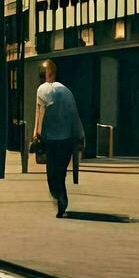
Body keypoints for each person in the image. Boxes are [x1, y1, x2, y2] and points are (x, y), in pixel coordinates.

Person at [32, 59, 85, 218]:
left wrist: (36, 134)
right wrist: (79, 135)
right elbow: (74, 115)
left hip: (50, 138)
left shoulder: (42, 90)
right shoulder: (67, 92)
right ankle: (62, 195)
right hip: (67, 138)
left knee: (52, 170)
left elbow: (39, 113)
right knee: (61, 170)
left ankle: (57, 194)